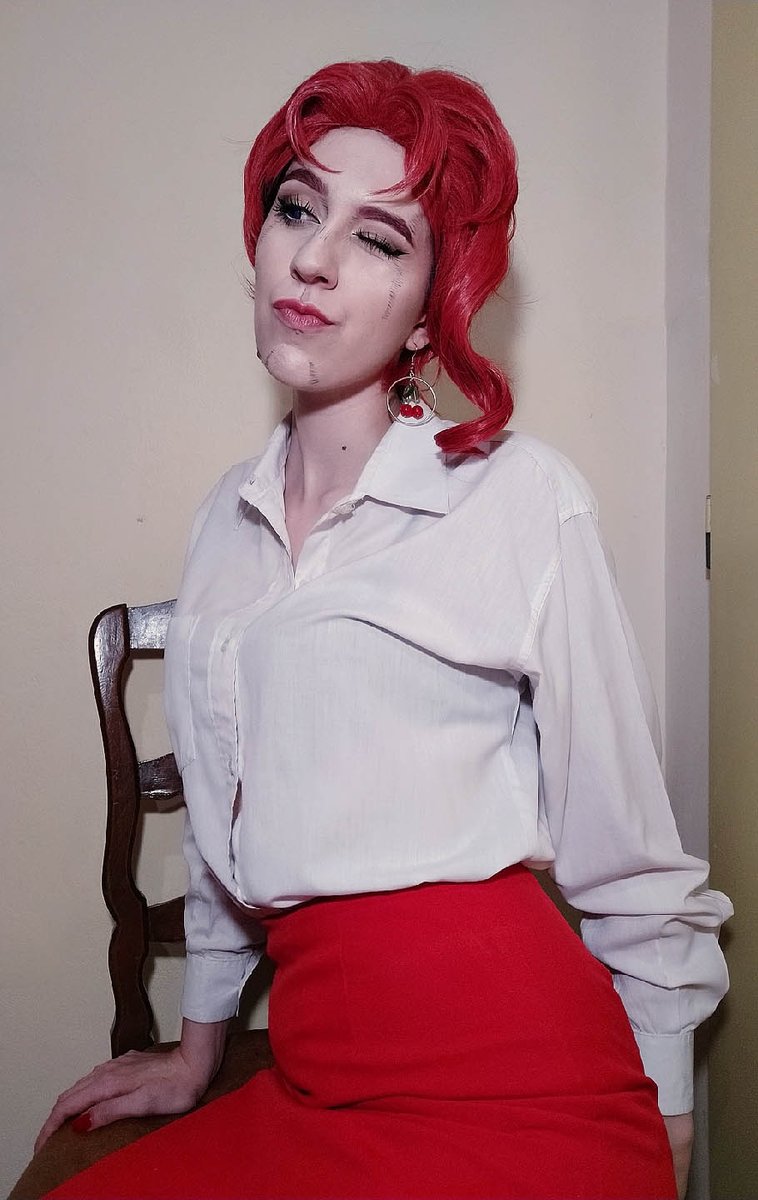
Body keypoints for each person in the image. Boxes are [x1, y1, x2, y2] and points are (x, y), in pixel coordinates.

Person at [36, 59, 732, 1199]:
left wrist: (666, 1127)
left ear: (428, 311)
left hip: (526, 1084)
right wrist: (196, 1052)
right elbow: (221, 830)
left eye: (378, 238)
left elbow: (628, 854)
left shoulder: (517, 497)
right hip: (320, 1078)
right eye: (297, 208)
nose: (313, 257)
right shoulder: (222, 523)